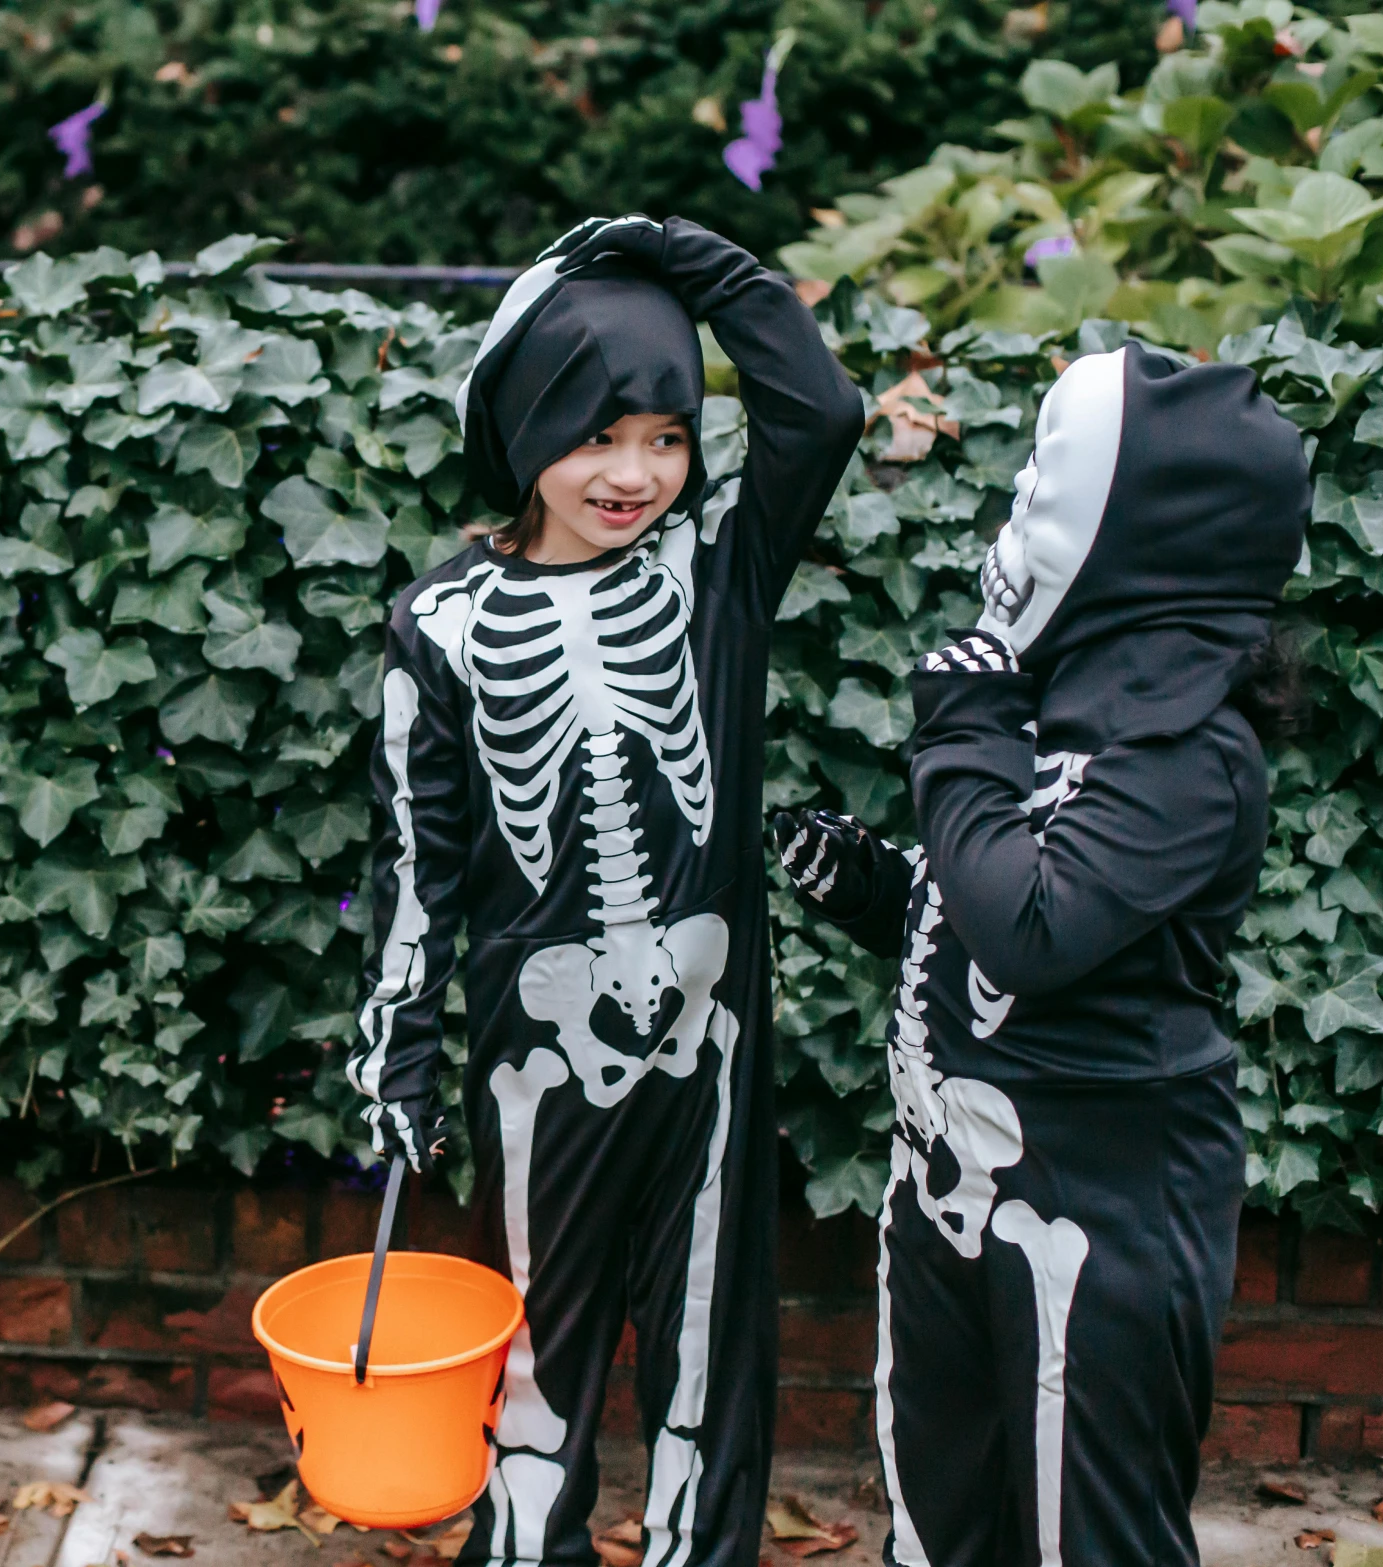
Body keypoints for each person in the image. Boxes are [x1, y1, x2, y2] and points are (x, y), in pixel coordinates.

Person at [346, 214, 862, 1567]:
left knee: (706, 1331)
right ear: (524, 430)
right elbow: (419, 858)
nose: (632, 472)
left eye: (668, 435)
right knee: (538, 1332)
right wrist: (394, 1051)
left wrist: (690, 258)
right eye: (594, 434)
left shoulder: (715, 574)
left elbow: (820, 407)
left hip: (710, 1026)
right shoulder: (441, 624)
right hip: (537, 1042)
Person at [770, 344, 1308, 1567]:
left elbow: (1037, 926)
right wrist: (879, 892)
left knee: (1086, 1531)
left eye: (1039, 498)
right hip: (950, 1185)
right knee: (940, 1503)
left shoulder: (1189, 756)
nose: (1009, 528)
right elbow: (994, 901)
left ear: (1140, 541)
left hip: (1097, 1205)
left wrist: (960, 731)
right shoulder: (1062, 699)